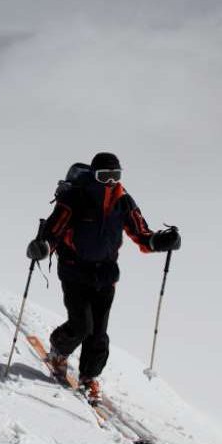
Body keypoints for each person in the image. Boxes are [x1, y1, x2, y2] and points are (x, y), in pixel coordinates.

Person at [26, 152, 180, 404]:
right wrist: (42, 246)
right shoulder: (75, 198)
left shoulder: (123, 201)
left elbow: (141, 234)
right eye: (104, 176)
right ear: (94, 176)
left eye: (115, 176)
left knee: (98, 333)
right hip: (74, 269)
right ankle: (58, 349)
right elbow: (54, 229)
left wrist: (162, 241)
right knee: (81, 325)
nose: (110, 182)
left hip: (106, 274)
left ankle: (89, 376)